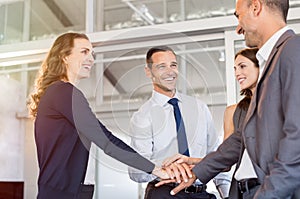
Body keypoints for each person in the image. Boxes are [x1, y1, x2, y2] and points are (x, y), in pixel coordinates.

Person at [156, 0, 300, 198]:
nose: (238, 28)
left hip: (268, 191)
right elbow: (242, 138)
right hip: (243, 191)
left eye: (238, 16)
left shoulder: (293, 50)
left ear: (256, 7)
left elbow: (297, 140)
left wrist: (268, 195)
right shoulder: (270, 63)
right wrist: (197, 171)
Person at [28, 32, 169, 199]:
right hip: (64, 193)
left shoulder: (60, 93)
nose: (91, 59)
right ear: (64, 56)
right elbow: (105, 139)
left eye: (92, 54)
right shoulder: (63, 92)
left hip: (69, 191)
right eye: (84, 52)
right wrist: (155, 169)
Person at [128, 46, 231, 199]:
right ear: (148, 72)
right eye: (161, 66)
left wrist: (226, 195)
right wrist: (167, 168)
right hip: (164, 193)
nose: (170, 71)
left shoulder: (199, 108)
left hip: (200, 193)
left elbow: (214, 156)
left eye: (173, 65)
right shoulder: (142, 116)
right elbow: (135, 171)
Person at [223, 48, 259, 140]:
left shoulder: (280, 104)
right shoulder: (232, 112)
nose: (237, 73)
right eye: (235, 69)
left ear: (260, 67)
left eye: (242, 66)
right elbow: (226, 152)